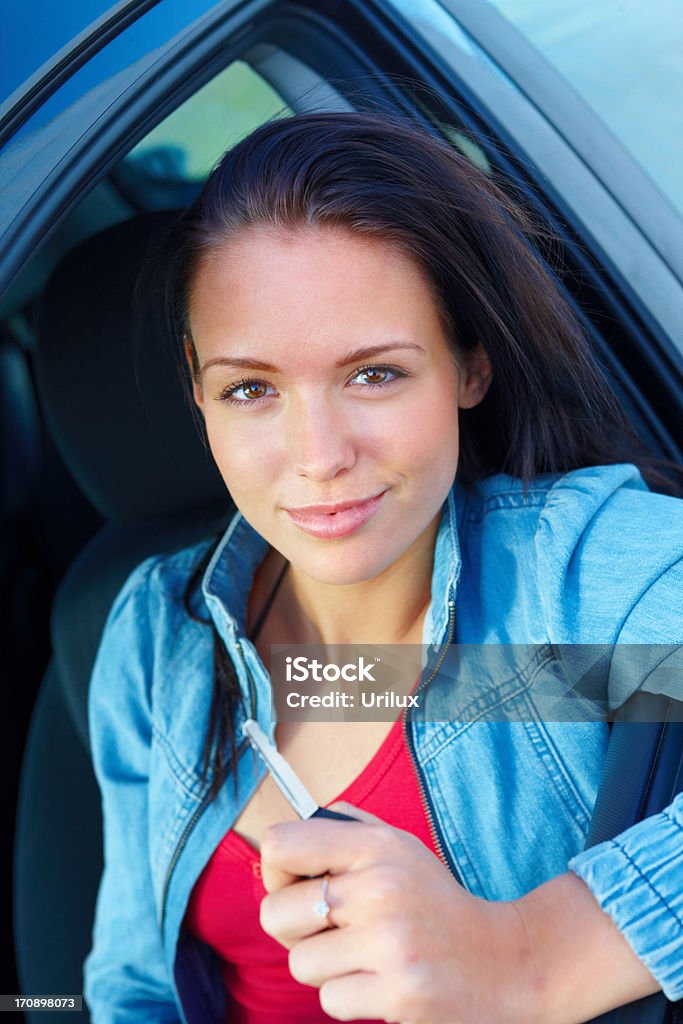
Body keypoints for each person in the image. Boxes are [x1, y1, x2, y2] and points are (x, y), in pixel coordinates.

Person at [83, 111, 683, 1024]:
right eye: (251, 388)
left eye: (373, 374)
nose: (318, 455)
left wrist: (538, 956)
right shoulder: (156, 638)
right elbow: (132, 989)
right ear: (197, 391)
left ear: (468, 364)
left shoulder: (576, 579)